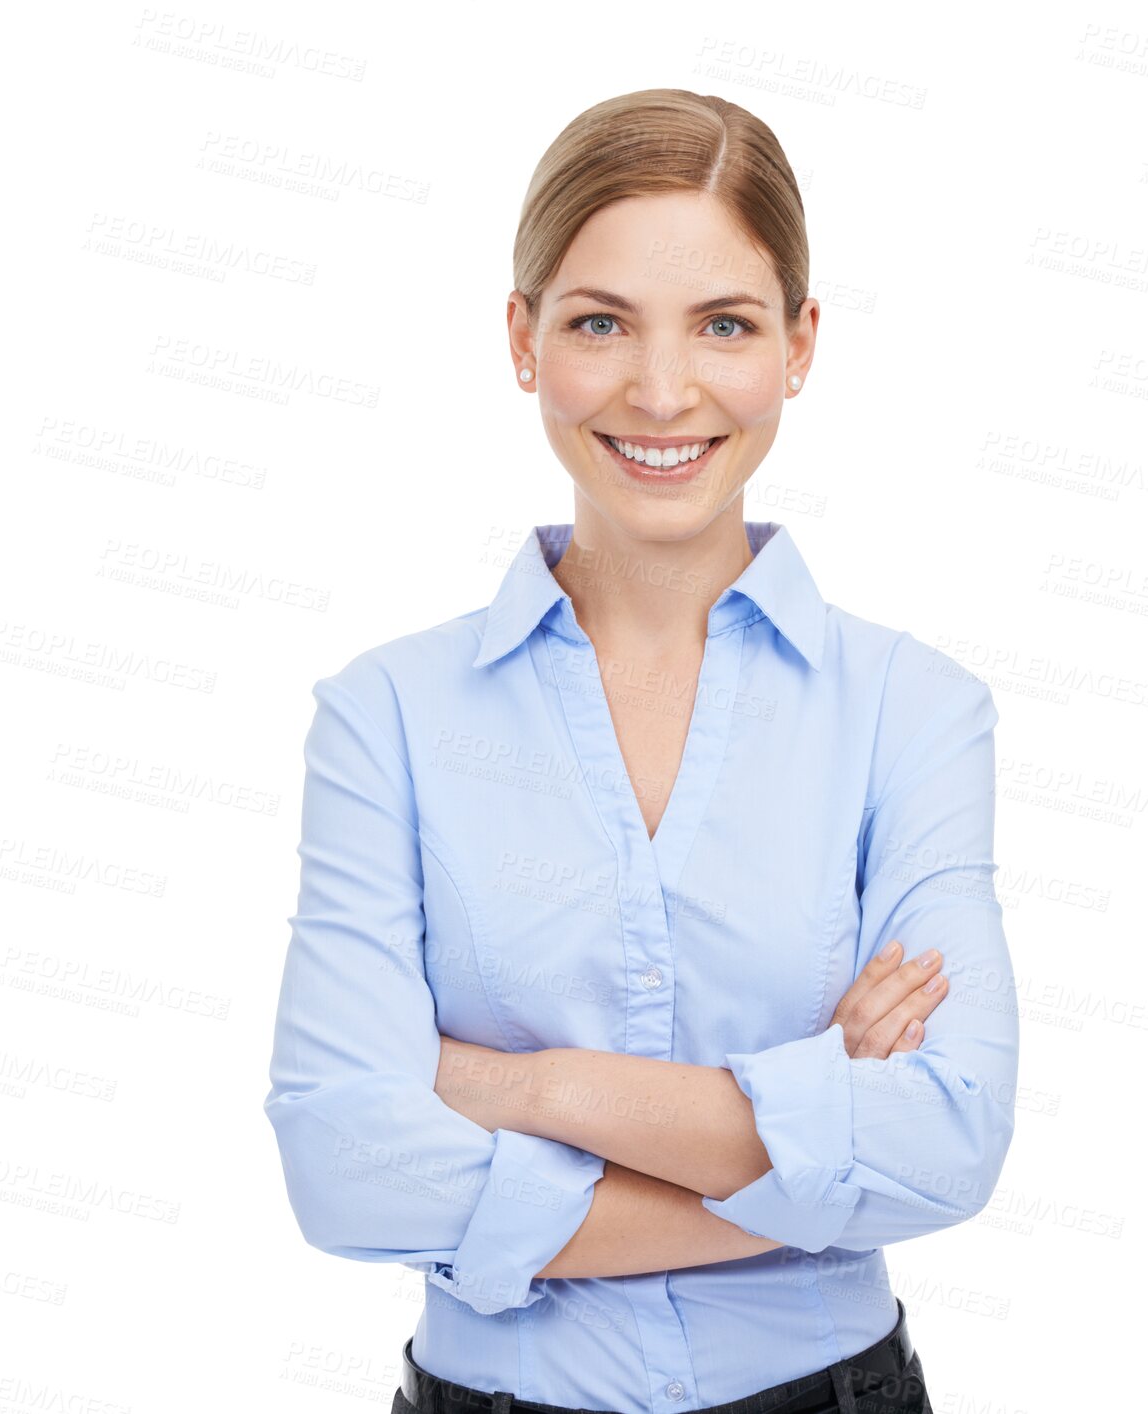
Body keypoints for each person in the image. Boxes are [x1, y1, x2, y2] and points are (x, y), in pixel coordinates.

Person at [262, 88, 1018, 1414]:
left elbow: (948, 1140)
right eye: (599, 321)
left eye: (722, 323)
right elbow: (346, 1164)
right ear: (522, 338)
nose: (660, 390)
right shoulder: (385, 714)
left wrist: (519, 1086)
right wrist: (809, 1150)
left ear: (797, 343)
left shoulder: (915, 710)